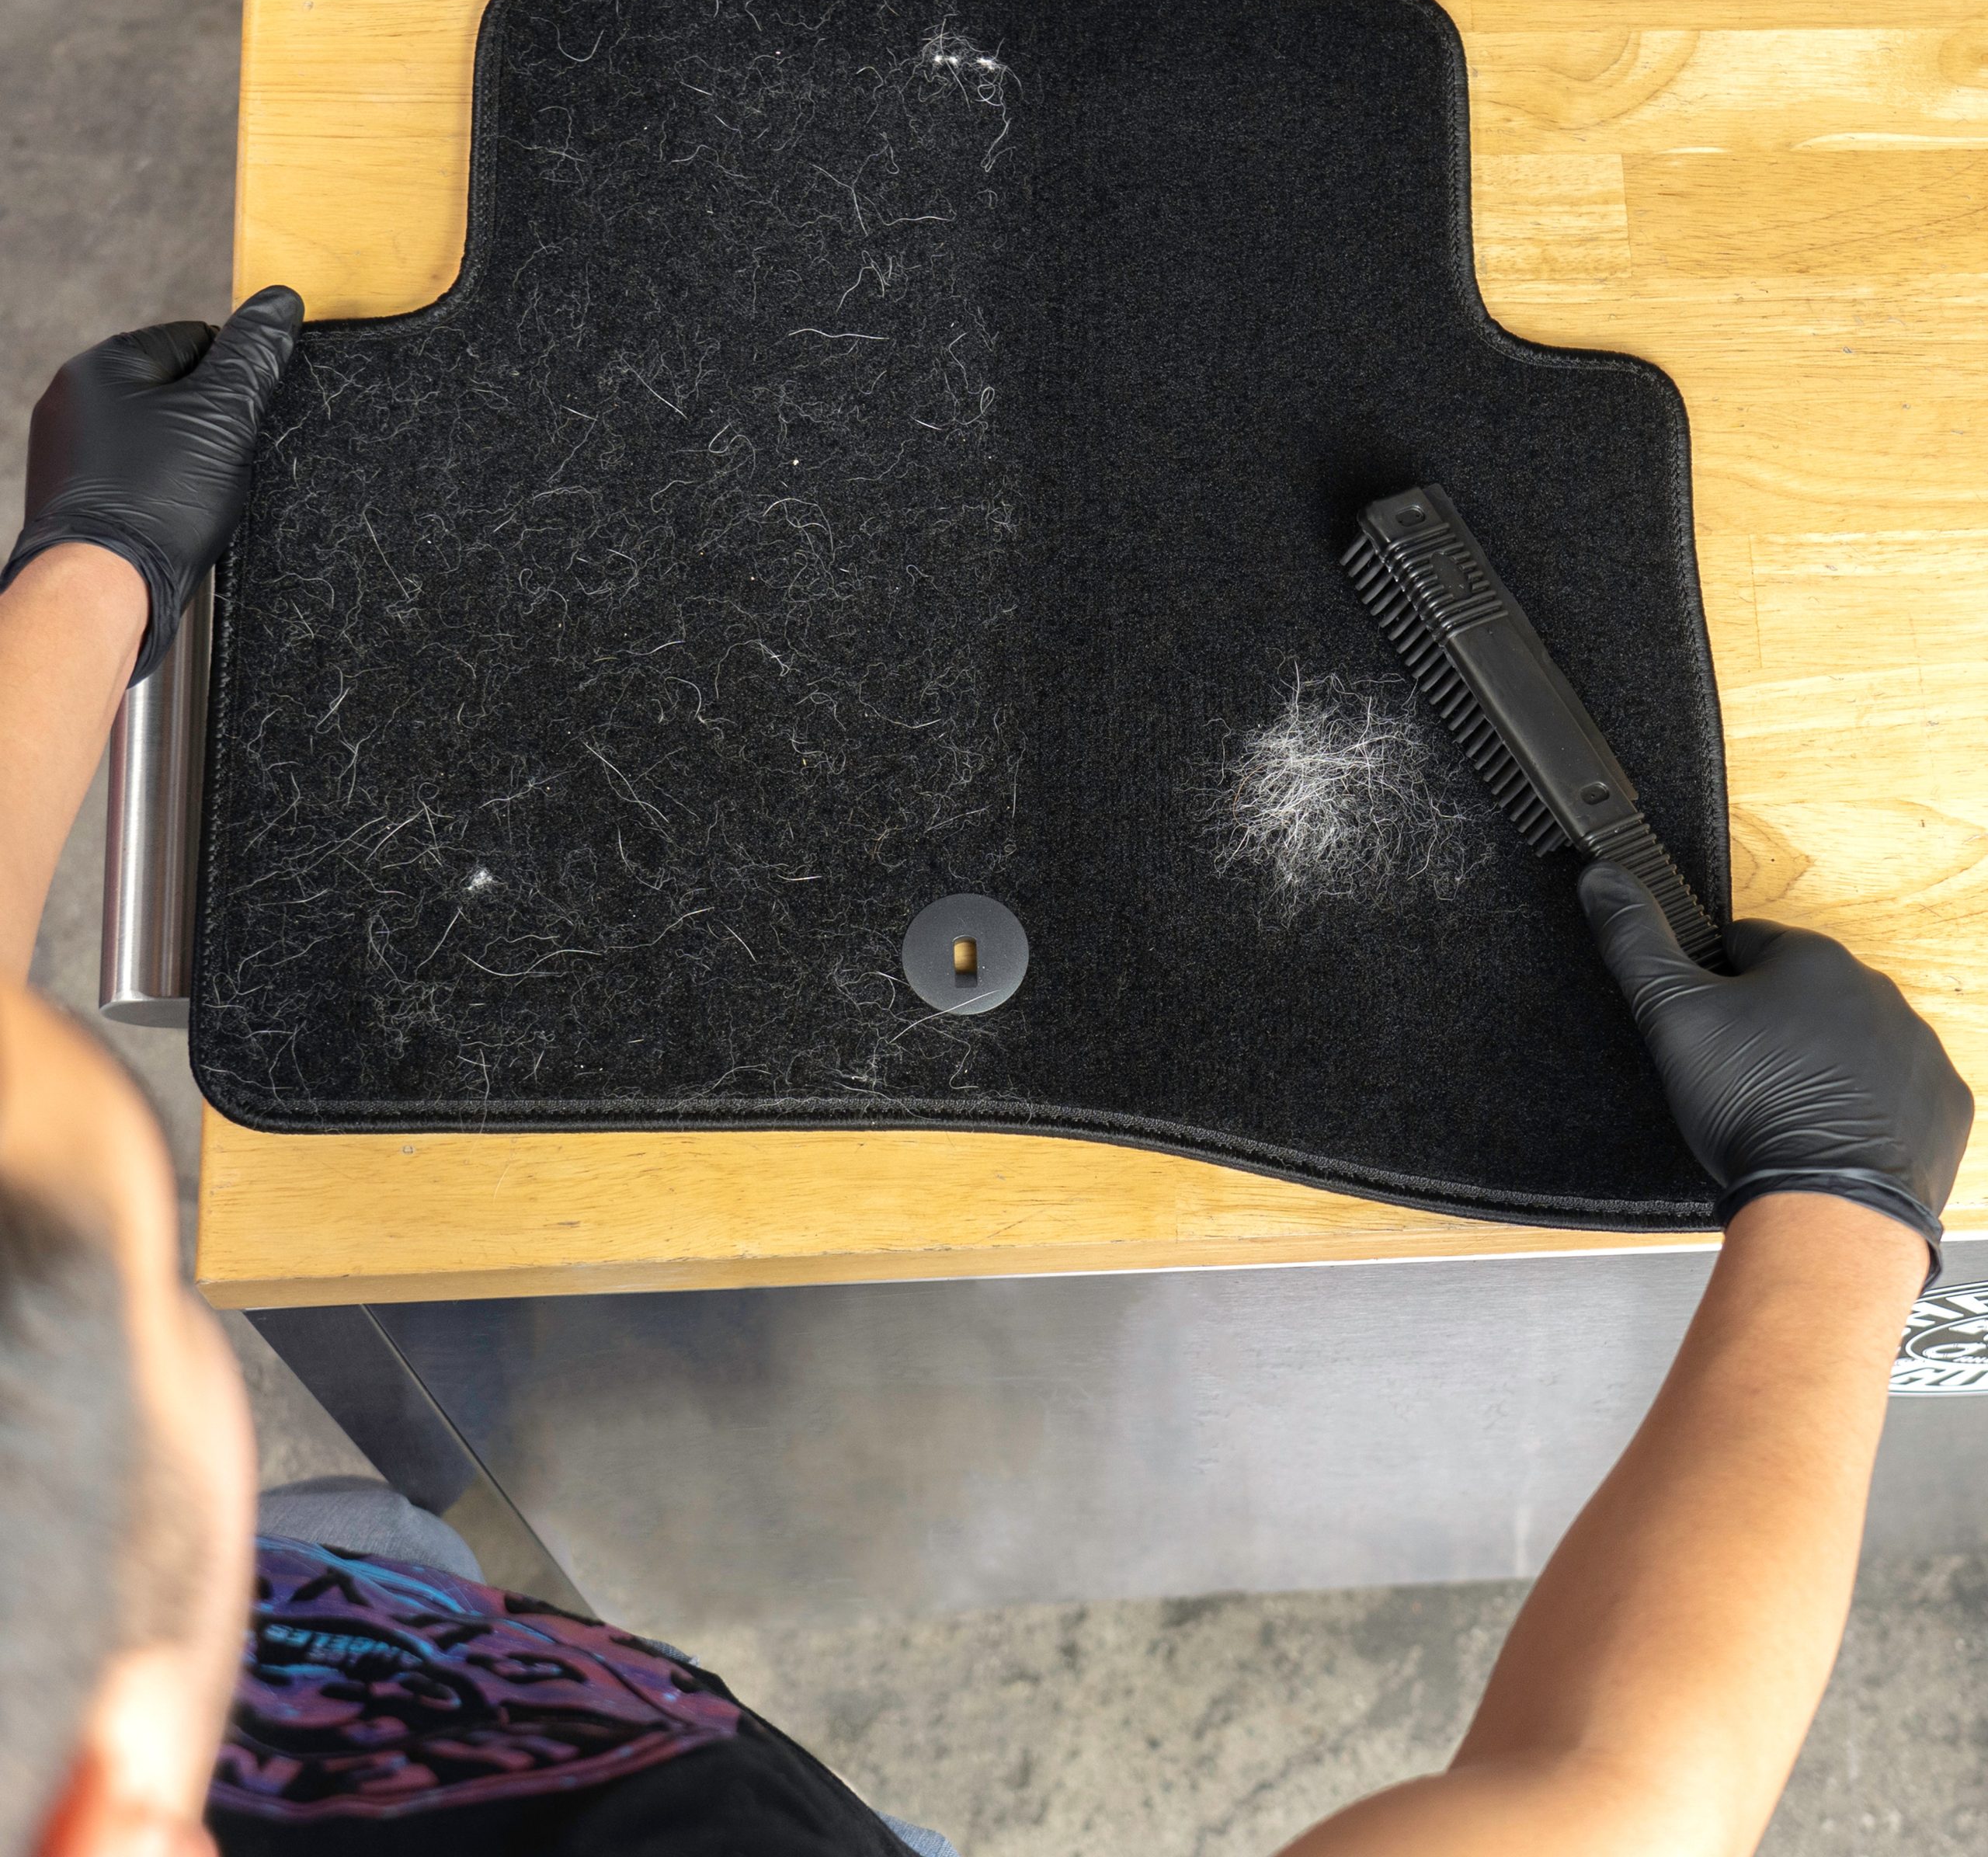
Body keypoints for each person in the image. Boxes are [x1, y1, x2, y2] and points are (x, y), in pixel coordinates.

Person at [0, 301, 1971, 1857]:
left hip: (336, 1660)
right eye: (146, 1280)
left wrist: (88, 579)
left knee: (387, 1553)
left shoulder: (77, 1676)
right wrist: (1839, 1214)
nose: (171, 1294)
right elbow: (1607, 1798)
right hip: (523, 1753)